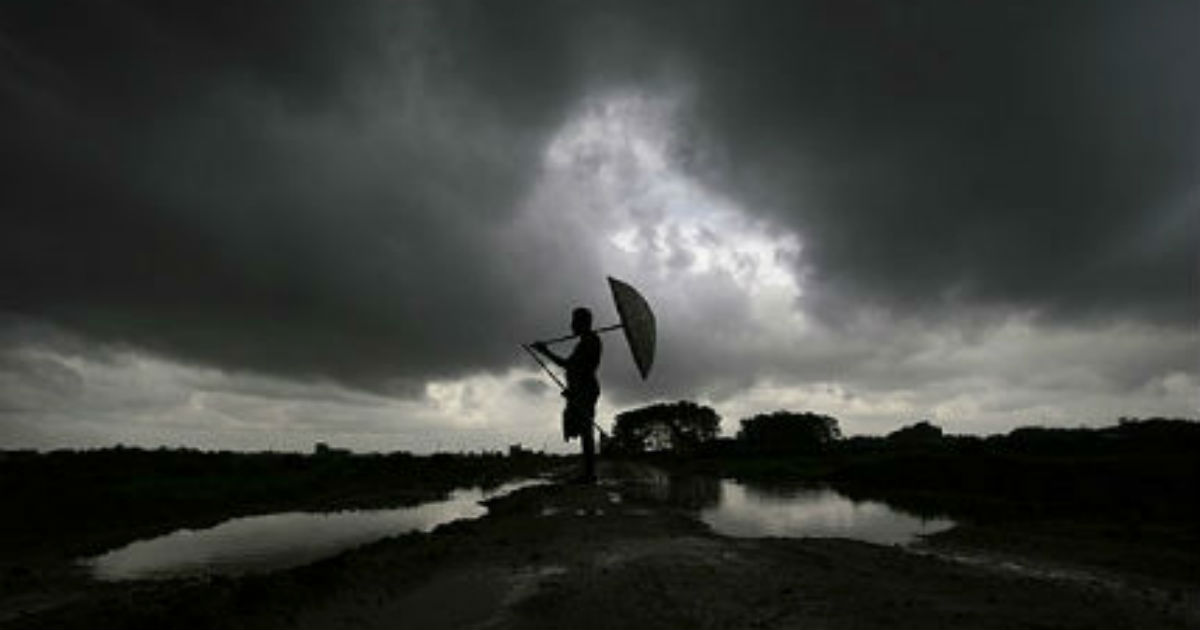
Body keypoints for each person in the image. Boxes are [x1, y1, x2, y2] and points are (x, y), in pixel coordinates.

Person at [532, 307, 602, 483]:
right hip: (581, 389)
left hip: (585, 390)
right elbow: (572, 366)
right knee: (583, 429)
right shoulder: (585, 341)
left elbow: (574, 366)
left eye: (574, 322)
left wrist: (545, 352)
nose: (571, 325)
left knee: (586, 430)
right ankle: (588, 472)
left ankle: (589, 474)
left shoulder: (590, 341)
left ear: (583, 323)